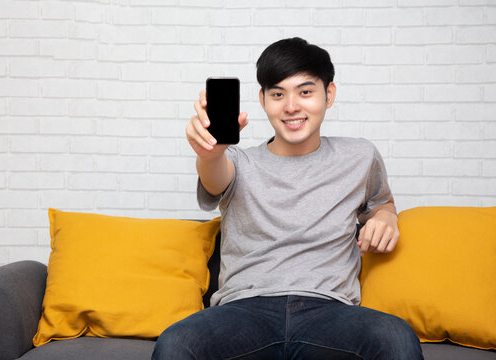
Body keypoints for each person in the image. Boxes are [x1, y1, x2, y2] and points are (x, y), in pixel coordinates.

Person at [152, 37, 424, 360]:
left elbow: (382, 203)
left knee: (396, 337)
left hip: (329, 312)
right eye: (278, 94)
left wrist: (385, 217)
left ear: (329, 94)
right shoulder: (238, 162)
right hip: (243, 312)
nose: (291, 106)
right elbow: (215, 177)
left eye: (305, 92)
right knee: (176, 344)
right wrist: (210, 154)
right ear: (263, 100)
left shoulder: (360, 157)